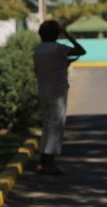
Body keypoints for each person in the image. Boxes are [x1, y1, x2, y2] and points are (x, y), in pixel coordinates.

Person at [33, 20, 86, 175]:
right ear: (56, 33)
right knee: (56, 127)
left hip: (43, 90)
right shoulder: (58, 48)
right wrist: (67, 35)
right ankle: (50, 163)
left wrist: (64, 64)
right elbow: (81, 51)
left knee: (47, 126)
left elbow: (43, 69)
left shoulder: (39, 49)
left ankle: (42, 161)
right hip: (57, 92)